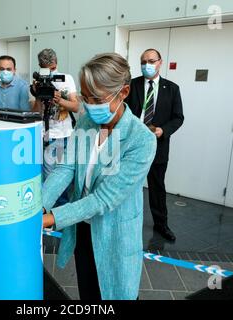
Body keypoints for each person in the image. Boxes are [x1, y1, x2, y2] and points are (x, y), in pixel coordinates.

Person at [42, 53, 157, 300]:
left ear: (123, 92)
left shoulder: (141, 140)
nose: (90, 105)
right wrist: (39, 205)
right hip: (83, 228)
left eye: (97, 98)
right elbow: (67, 168)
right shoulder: (86, 122)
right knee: (89, 292)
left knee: (116, 291)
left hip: (115, 230)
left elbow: (103, 200)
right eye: (86, 97)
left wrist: (50, 219)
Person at [125, 48, 184, 242]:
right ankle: (124, 220)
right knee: (127, 184)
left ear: (160, 62)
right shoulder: (131, 86)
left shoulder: (172, 88)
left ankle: (161, 224)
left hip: (157, 145)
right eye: (143, 62)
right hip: (132, 145)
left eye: (151, 61)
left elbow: (178, 118)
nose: (146, 65)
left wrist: (163, 131)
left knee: (157, 187)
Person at [32, 49, 80, 206]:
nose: (50, 73)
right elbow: (36, 114)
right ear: (40, 67)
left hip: (64, 135)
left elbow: (75, 106)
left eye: (52, 68)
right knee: (49, 179)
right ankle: (50, 213)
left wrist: (60, 100)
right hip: (46, 135)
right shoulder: (37, 83)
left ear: (56, 63)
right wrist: (38, 96)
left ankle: (60, 215)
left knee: (62, 178)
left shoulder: (66, 79)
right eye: (46, 69)